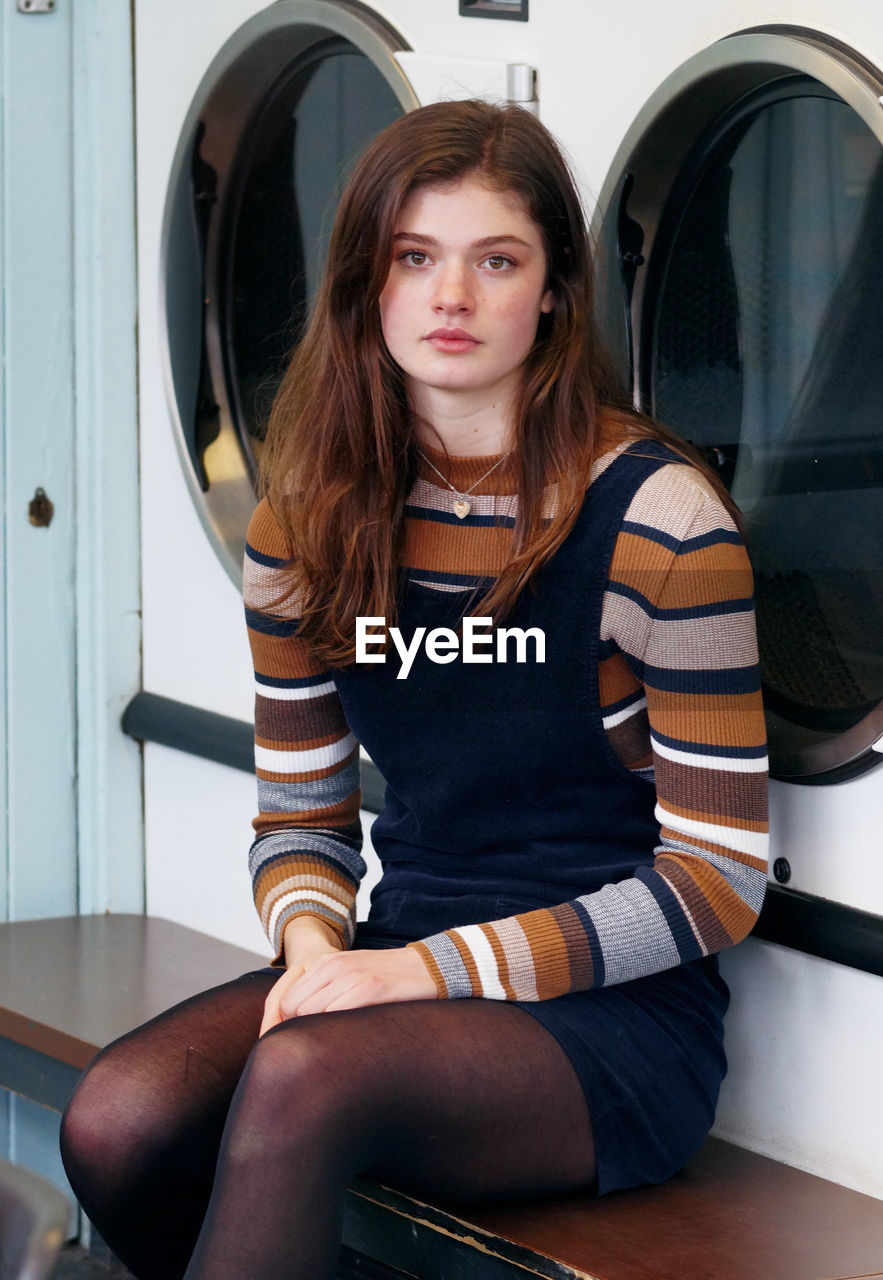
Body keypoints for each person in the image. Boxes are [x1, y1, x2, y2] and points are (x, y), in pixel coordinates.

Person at [60, 99, 769, 1280]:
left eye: (496, 260)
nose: (452, 297)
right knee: (118, 1119)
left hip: (608, 1018)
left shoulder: (660, 524)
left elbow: (716, 882)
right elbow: (302, 817)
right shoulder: (306, 522)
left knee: (298, 1080)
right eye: (415, 257)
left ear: (551, 291)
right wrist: (311, 948)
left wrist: (410, 975)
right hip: (395, 956)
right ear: (368, 284)